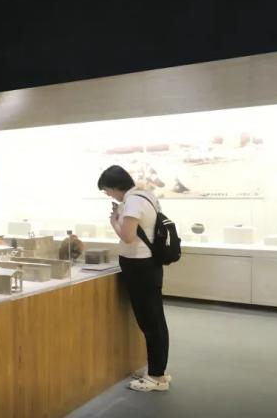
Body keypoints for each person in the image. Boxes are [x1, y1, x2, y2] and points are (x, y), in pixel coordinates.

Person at [97, 165, 171, 392]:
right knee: (155, 320)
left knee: (150, 322)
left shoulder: (132, 202)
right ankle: (157, 371)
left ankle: (156, 376)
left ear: (115, 186)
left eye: (107, 190)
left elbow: (128, 236)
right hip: (149, 265)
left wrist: (114, 221)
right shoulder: (146, 196)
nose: (109, 195)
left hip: (140, 267)